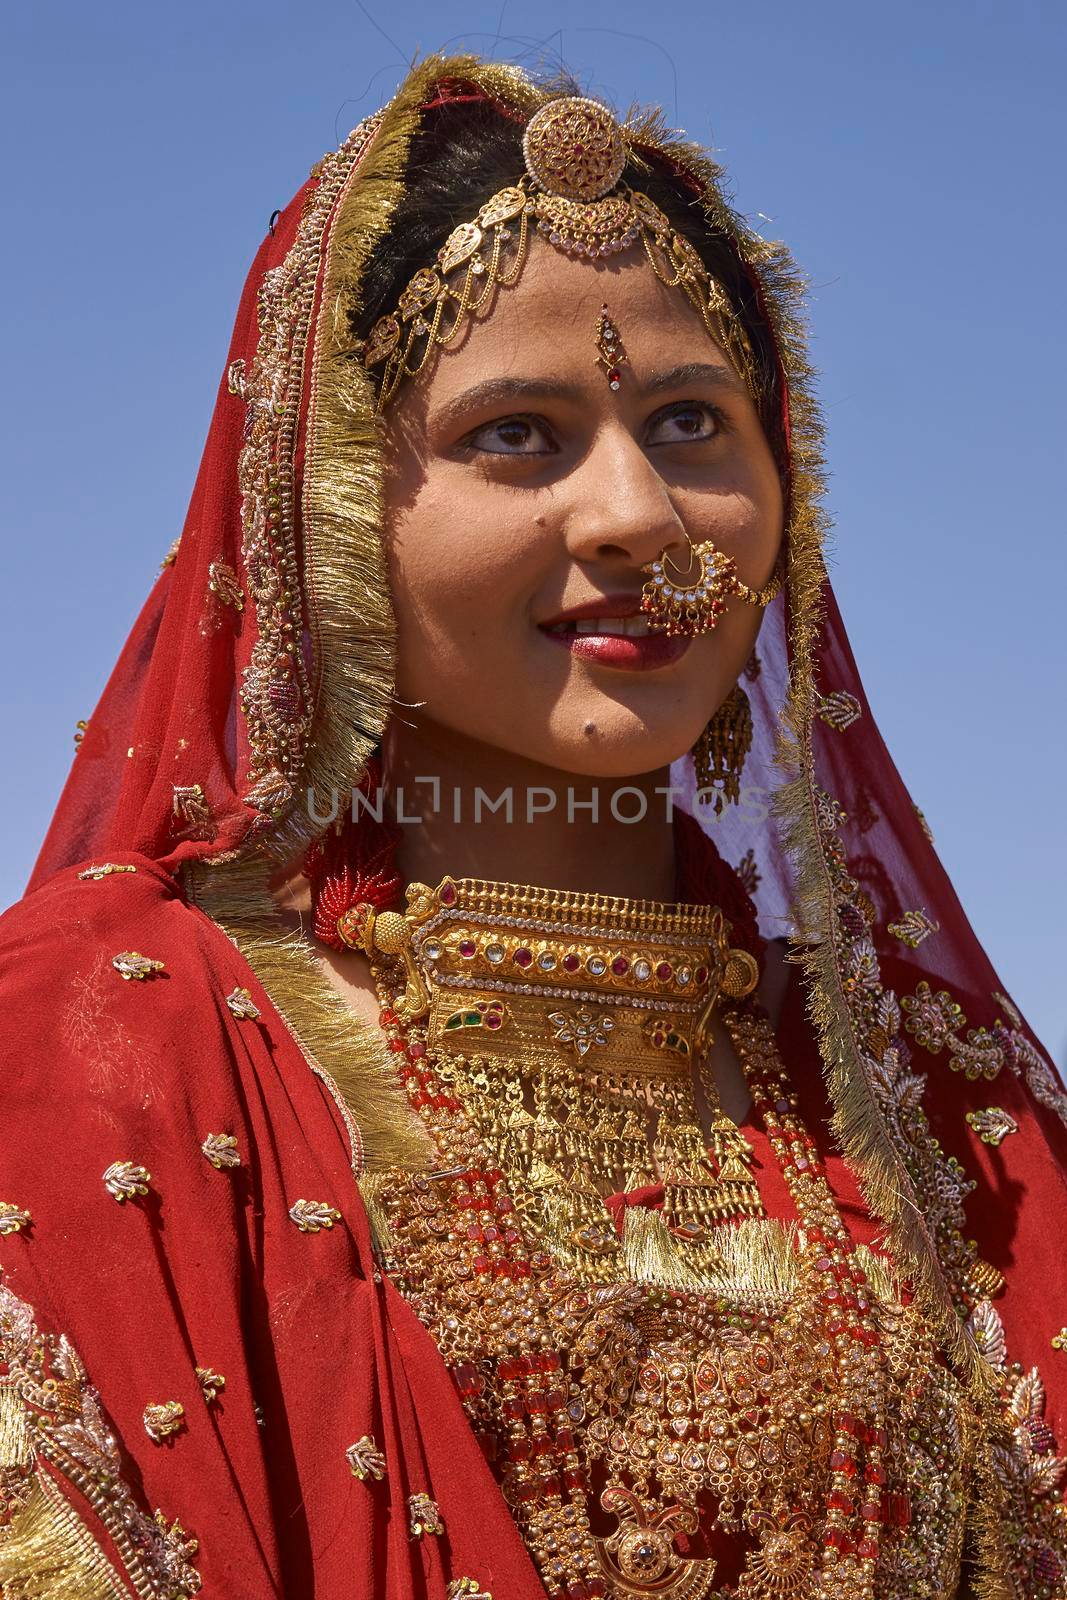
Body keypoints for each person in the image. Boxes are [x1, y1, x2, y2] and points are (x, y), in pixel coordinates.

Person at [1, 52, 1064, 1600]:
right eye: (519, 436)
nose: (639, 514)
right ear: (332, 509)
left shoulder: (924, 1094)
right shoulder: (104, 1048)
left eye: (697, 421)